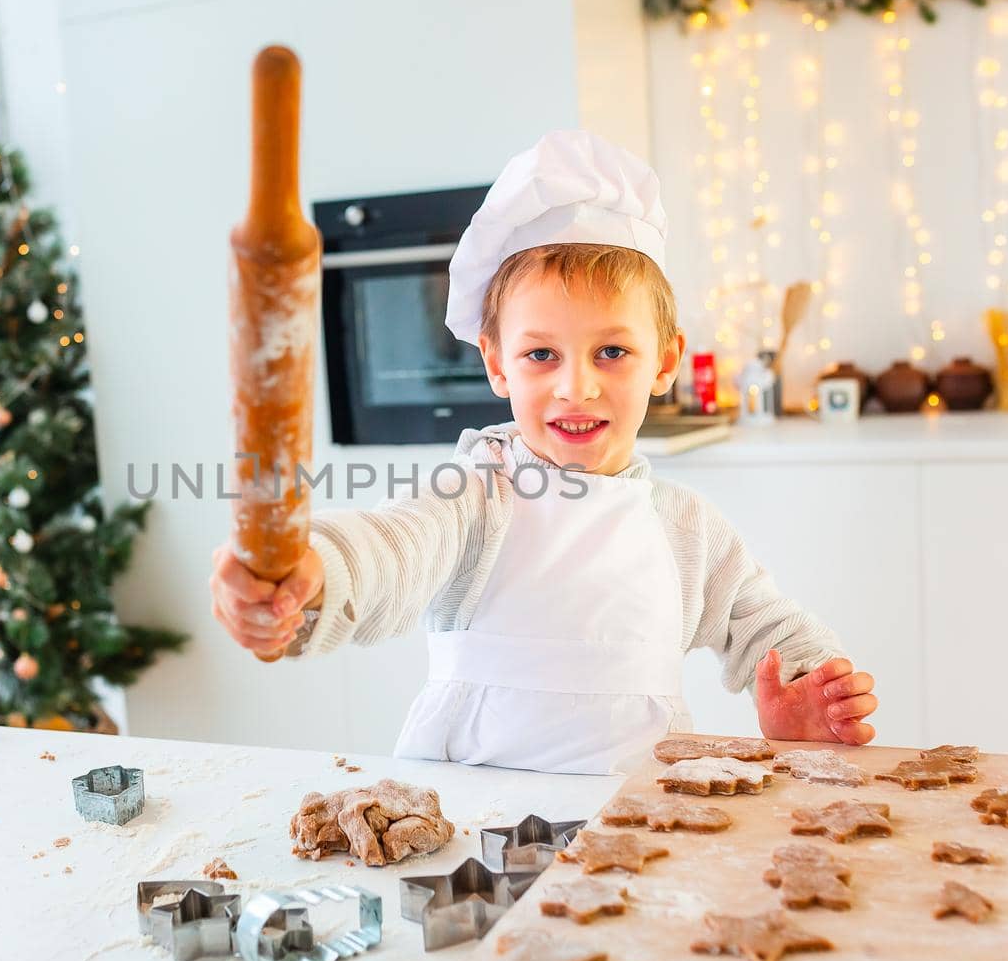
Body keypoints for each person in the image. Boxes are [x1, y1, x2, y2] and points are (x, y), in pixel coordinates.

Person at [209, 130, 878, 774]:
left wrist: (809, 689)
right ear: (498, 365)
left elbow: (766, 623)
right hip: (473, 825)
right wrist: (311, 573)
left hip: (641, 819)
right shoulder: (478, 492)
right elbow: (390, 547)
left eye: (611, 351)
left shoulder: (685, 527)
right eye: (541, 354)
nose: (575, 386)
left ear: (665, 361)